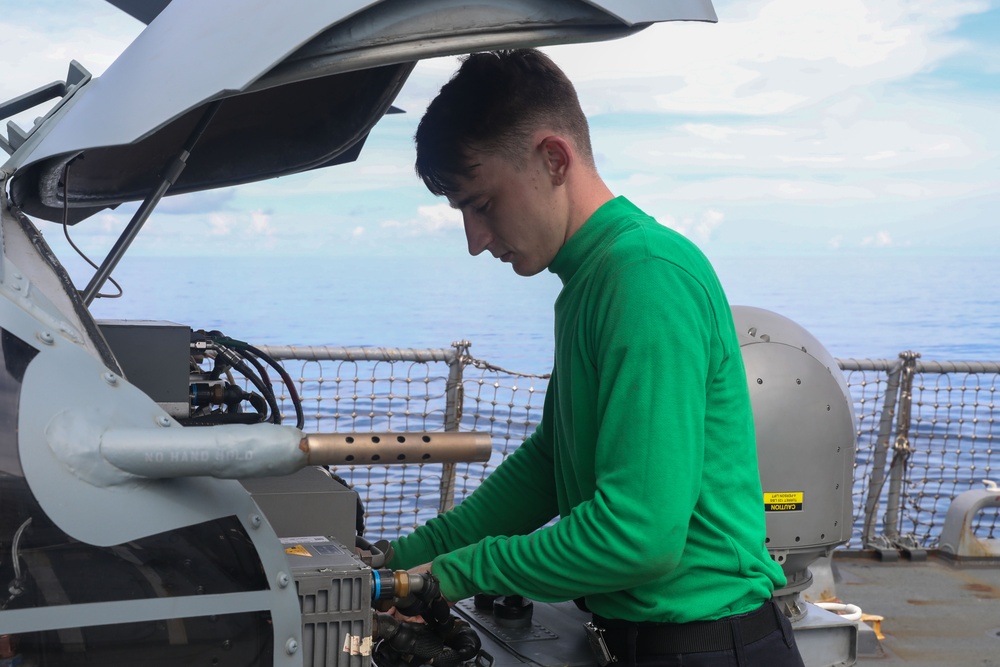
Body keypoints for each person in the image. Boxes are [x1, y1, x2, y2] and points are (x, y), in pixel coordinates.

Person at [389, 48, 804, 667]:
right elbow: (549, 462)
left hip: (710, 645)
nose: (475, 242)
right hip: (644, 641)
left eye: (481, 205)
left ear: (553, 159)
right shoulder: (591, 278)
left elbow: (638, 537)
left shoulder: (643, 276)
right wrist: (396, 563)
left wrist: (450, 574)